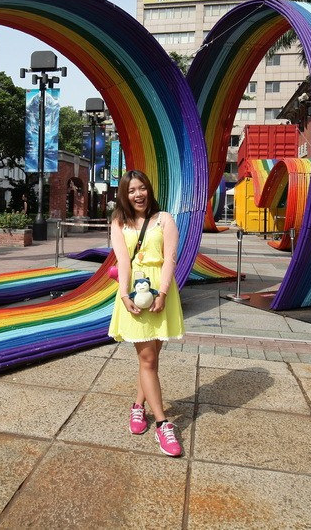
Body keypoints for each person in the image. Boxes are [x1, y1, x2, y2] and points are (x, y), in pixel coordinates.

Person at [108, 169, 185, 457]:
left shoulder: (164, 219)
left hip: (161, 294)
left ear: (149, 190)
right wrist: (125, 294)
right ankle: (163, 425)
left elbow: (169, 260)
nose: (137, 194)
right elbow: (123, 262)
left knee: (152, 357)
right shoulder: (119, 221)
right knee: (148, 358)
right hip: (134, 296)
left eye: (141, 188)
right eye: (131, 190)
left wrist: (163, 293)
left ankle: (138, 407)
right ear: (124, 195)